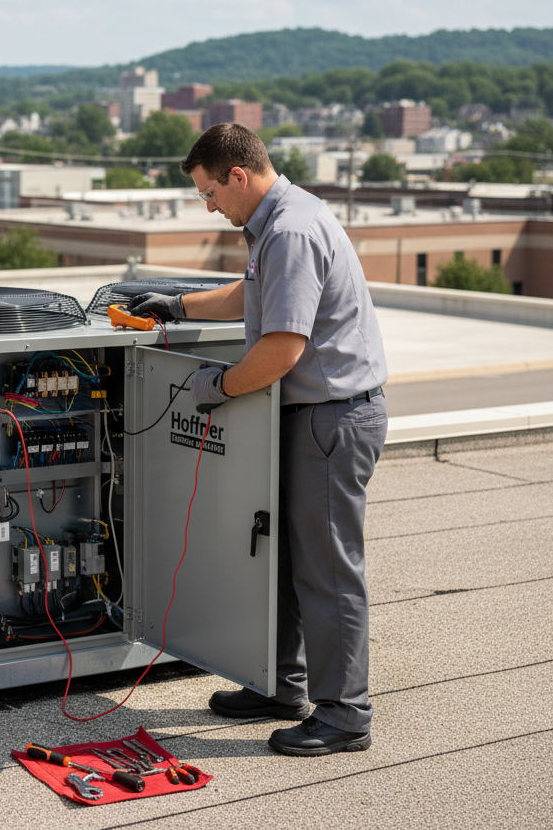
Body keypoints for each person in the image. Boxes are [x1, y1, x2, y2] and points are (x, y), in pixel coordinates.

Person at [130, 123, 388, 757]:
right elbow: (253, 297)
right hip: (308, 416)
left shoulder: (293, 230)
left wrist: (217, 387)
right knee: (282, 560)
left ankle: (344, 714)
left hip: (331, 419)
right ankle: (281, 686)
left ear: (237, 176)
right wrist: (176, 305)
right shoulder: (278, 222)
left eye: (209, 193)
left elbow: (280, 348)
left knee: (326, 571)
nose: (209, 206)